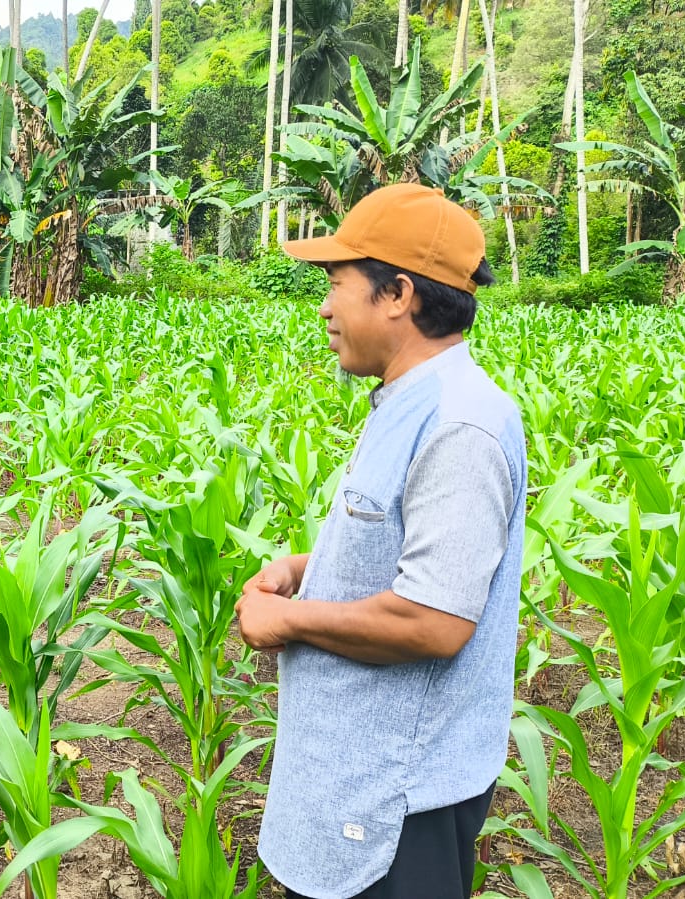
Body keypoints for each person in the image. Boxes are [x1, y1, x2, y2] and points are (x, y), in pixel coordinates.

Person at [235, 184, 526, 899]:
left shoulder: (459, 425)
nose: (325, 308)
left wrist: (286, 620)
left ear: (398, 294)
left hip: (398, 800)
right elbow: (418, 551)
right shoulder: (409, 400)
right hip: (362, 780)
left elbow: (434, 620)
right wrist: (309, 568)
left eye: (336, 284)